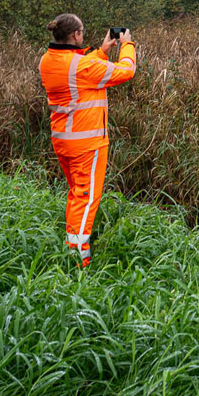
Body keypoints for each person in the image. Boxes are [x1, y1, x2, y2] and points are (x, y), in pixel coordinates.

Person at [39, 14, 137, 268]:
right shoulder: (81, 66)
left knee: (77, 194)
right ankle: (76, 258)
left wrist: (102, 51)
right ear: (76, 36)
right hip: (87, 143)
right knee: (86, 198)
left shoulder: (48, 60)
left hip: (63, 140)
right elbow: (127, 70)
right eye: (82, 31)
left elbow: (78, 67)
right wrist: (127, 45)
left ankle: (71, 246)